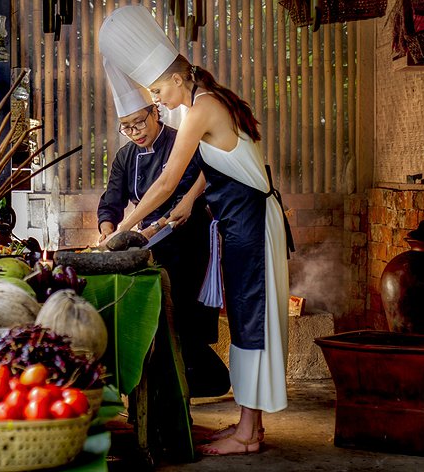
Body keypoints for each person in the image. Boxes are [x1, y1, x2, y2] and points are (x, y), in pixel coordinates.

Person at [99, 5, 293, 456]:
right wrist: (188, 202)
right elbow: (214, 165)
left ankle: (248, 434)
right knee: (245, 322)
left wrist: (119, 231)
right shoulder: (205, 104)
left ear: (181, 78)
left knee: (253, 323)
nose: (160, 99)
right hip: (242, 226)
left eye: (161, 89)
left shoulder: (200, 108)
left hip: (252, 226)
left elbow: (167, 179)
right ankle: (249, 427)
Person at [98, 58, 229, 398]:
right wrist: (107, 226)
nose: (135, 132)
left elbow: (183, 187)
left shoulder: (180, 138)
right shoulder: (126, 157)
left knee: (183, 316)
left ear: (154, 113)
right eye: (127, 127)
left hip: (187, 239)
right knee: (157, 316)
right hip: (150, 243)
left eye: (139, 122)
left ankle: (199, 381)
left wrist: (135, 230)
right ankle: (171, 381)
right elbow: (111, 199)